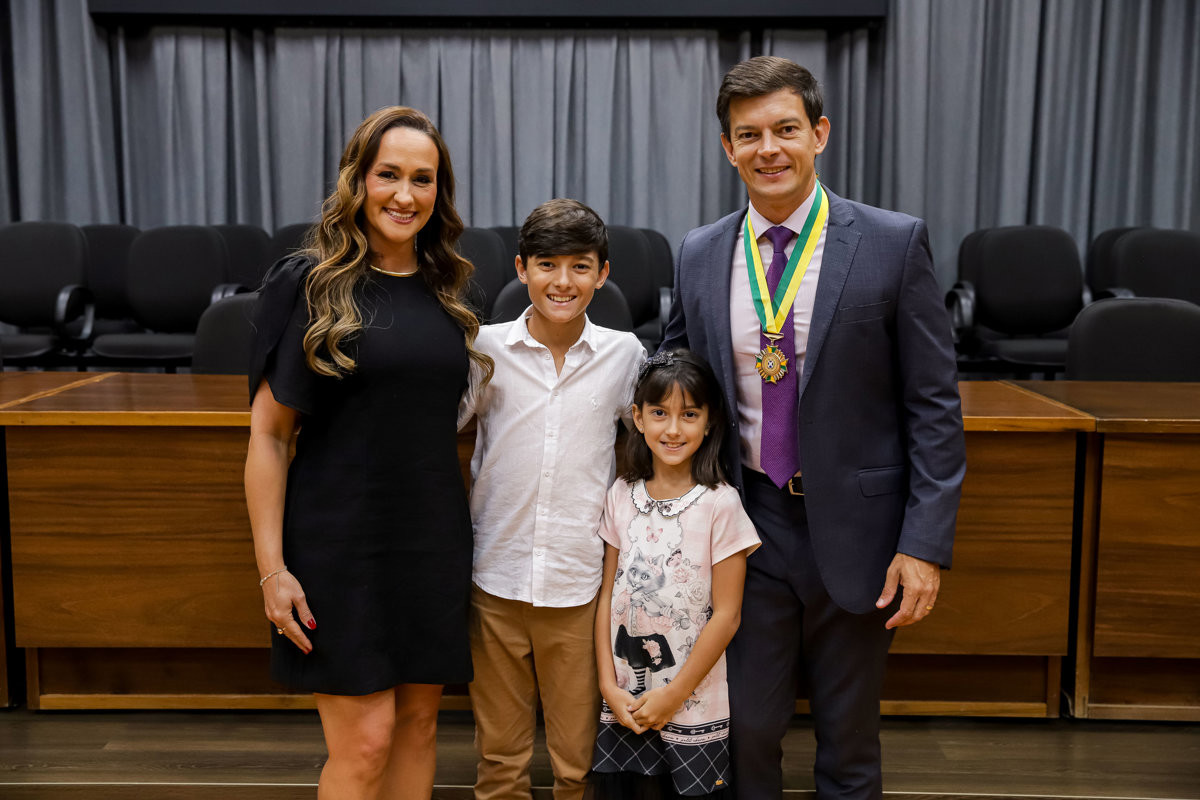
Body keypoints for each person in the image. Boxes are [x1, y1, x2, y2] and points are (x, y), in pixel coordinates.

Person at [659, 56, 966, 799]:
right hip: (747, 526)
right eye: (749, 134)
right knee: (748, 735)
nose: (769, 149)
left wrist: (922, 545)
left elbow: (934, 406)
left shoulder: (893, 243)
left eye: (786, 129)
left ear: (819, 133)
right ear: (728, 149)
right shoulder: (702, 250)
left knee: (848, 741)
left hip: (859, 531)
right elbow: (672, 369)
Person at [244, 105, 492, 800]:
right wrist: (272, 571)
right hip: (338, 546)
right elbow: (269, 435)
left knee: (417, 729)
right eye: (389, 175)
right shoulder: (309, 283)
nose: (405, 195)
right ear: (358, 178)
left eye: (424, 179)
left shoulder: (448, 287)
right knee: (366, 741)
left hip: (429, 542)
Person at [458, 198, 646, 800]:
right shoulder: (483, 350)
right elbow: (435, 425)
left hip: (577, 584)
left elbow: (652, 447)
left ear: (603, 273)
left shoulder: (625, 356)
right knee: (500, 759)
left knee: (578, 763)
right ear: (521, 268)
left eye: (580, 266)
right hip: (495, 577)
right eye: (546, 265)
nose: (562, 282)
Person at [588, 349, 760, 799]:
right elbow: (608, 595)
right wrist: (608, 684)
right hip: (626, 700)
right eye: (659, 413)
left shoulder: (720, 505)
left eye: (689, 414)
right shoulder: (621, 495)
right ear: (638, 418)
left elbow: (727, 615)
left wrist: (673, 696)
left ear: (709, 422)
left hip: (690, 702)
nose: (673, 428)